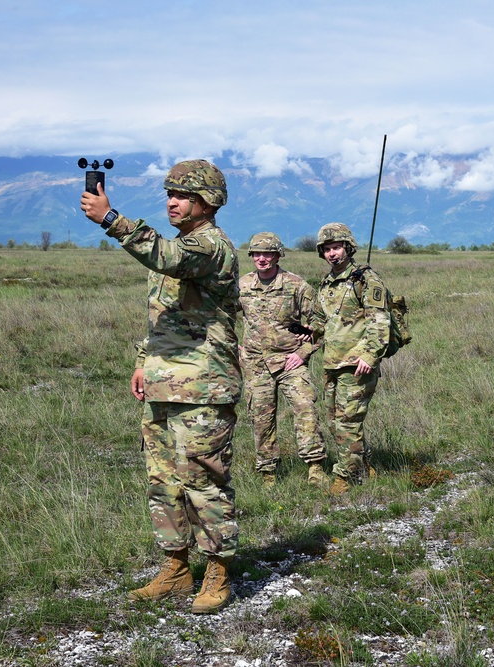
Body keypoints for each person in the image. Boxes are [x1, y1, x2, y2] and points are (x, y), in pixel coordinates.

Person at [81, 159, 241, 613]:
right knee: (164, 482)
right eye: (169, 193)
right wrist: (142, 361)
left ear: (206, 202)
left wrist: (112, 220)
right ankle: (175, 568)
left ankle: (218, 571)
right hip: (162, 382)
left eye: (182, 195)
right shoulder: (181, 245)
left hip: (203, 388)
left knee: (204, 482)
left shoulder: (211, 246)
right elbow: (164, 315)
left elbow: (165, 257)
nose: (172, 201)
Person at [238, 232, 330, 489]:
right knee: (261, 417)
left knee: (305, 408)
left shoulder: (296, 285)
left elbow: (321, 322)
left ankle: (315, 467)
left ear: (278, 255)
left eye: (268, 253)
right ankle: (268, 473)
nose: (262, 259)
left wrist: (303, 353)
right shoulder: (243, 285)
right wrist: (233, 346)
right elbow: (221, 315)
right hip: (256, 364)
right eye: (257, 253)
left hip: (290, 363)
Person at [309, 222, 391, 495]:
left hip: (357, 364)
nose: (332, 254)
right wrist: (308, 332)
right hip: (332, 363)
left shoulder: (366, 280)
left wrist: (370, 354)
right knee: (334, 422)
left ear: (348, 247)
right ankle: (364, 466)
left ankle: (345, 478)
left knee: (347, 423)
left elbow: (380, 321)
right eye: (327, 249)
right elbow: (322, 319)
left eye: (337, 247)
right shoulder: (327, 282)